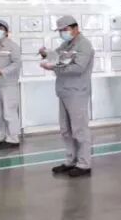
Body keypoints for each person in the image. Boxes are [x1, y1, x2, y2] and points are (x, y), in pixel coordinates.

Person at [39, 15, 94, 178]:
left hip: (77, 92)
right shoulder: (66, 45)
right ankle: (71, 160)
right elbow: (55, 57)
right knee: (66, 130)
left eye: (65, 29)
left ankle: (84, 164)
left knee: (79, 129)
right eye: (60, 30)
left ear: (75, 28)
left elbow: (78, 68)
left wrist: (54, 68)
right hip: (64, 91)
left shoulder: (84, 45)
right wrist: (45, 54)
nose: (62, 33)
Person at [0, 20, 22, 150]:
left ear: (7, 32)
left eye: (0, 28)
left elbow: (17, 64)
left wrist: (2, 71)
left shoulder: (13, 46)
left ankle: (13, 139)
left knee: (9, 113)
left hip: (9, 84)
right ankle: (1, 137)